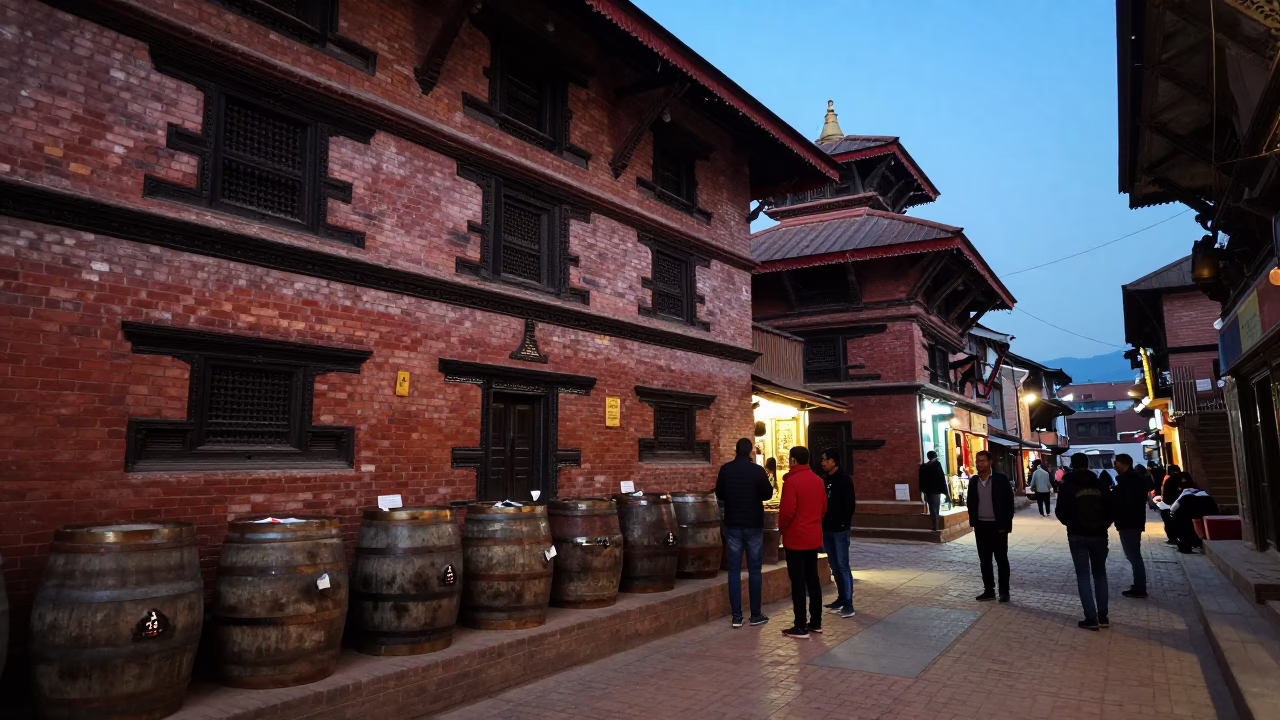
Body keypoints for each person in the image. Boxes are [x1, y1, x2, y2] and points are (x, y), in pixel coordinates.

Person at [715, 438, 775, 629]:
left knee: (734, 570)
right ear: (751, 451)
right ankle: (756, 614)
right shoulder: (757, 471)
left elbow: (720, 494)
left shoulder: (726, 469)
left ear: (736, 450)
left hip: (733, 524)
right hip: (753, 525)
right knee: (754, 569)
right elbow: (767, 494)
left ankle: (737, 616)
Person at [1056, 453, 1114, 631]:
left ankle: (1091, 618)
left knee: (1083, 577)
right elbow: (1111, 509)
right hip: (1099, 536)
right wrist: (1103, 525)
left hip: (1077, 535)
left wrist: (1072, 524)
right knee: (1100, 575)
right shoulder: (1101, 485)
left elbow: (1060, 511)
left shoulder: (1067, 487)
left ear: (1072, 465)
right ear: (1088, 465)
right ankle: (1103, 616)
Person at [777, 445, 827, 639]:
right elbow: (823, 508)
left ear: (793, 460)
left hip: (796, 537)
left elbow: (787, 512)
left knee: (798, 582)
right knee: (813, 580)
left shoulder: (791, 482)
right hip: (813, 536)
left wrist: (782, 529)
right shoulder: (818, 481)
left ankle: (800, 626)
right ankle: (816, 622)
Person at [967, 450, 1014, 602]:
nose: (979, 464)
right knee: (984, 560)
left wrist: (1006, 524)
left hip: (998, 526)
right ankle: (989, 590)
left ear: (990, 462)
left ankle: (1004, 591)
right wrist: (973, 521)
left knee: (1001, 559)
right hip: (981, 526)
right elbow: (971, 502)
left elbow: (1009, 503)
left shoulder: (1000, 479)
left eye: (982, 461)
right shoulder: (974, 481)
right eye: (977, 461)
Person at [819, 448, 856, 618]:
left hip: (840, 530)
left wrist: (842, 523)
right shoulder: (826, 481)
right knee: (834, 565)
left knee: (842, 565)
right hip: (827, 529)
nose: (823, 462)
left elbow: (849, 506)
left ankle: (849, 603)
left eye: (825, 459)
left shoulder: (844, 480)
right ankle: (841, 598)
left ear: (834, 461)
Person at [1111, 453, 1152, 599]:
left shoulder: (1130, 481)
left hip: (1129, 521)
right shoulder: (1131, 480)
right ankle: (1138, 585)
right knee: (1133, 555)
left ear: (1125, 464)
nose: (1114, 466)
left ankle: (1140, 588)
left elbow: (1124, 502)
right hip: (1131, 521)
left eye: (1116, 463)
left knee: (1133, 555)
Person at [1170, 478, 1219, 553]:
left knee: (1182, 524)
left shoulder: (1185, 493)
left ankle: (1186, 546)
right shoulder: (1203, 492)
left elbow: (1173, 508)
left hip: (1188, 517)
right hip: (1205, 514)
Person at [919, 450, 950, 531]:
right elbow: (941, 478)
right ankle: (935, 525)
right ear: (935, 456)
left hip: (928, 491)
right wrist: (946, 492)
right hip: (935, 491)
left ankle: (934, 525)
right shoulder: (936, 465)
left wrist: (923, 490)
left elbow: (921, 479)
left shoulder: (924, 466)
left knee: (932, 508)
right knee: (935, 508)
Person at [1158, 465, 1184, 545]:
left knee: (1169, 523)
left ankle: (1172, 539)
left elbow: (1165, 492)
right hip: (1179, 504)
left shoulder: (1168, 479)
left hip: (1168, 504)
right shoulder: (1182, 478)